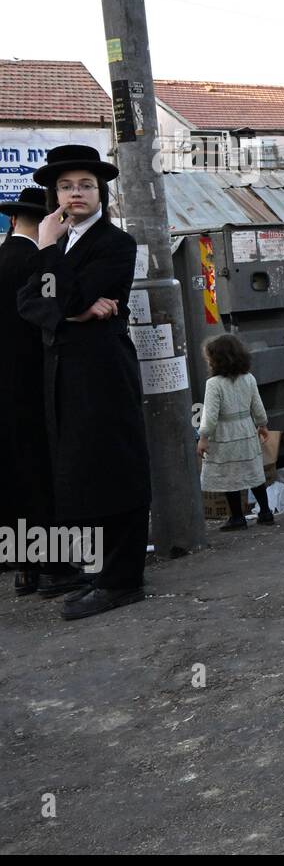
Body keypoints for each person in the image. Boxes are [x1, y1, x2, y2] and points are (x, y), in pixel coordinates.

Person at [16, 145, 151, 620]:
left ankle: (123, 580)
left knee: (115, 464)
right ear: (55, 193)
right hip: (66, 371)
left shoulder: (115, 243)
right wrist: (76, 310)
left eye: (86, 185)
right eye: (67, 186)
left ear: (101, 192)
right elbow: (30, 302)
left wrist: (51, 256)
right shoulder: (64, 244)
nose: (76, 193)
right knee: (83, 470)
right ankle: (104, 573)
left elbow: (63, 292)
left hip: (102, 370)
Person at [0, 187, 60, 597]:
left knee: (11, 474)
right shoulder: (37, 263)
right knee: (42, 472)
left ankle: (23, 568)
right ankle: (53, 565)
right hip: (34, 384)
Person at [197, 333, 274, 531]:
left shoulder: (213, 384)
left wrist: (203, 437)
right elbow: (257, 406)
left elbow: (210, 415)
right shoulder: (248, 378)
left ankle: (237, 517)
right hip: (246, 429)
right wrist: (262, 425)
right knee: (253, 471)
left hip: (225, 434)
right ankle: (265, 512)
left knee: (229, 475)